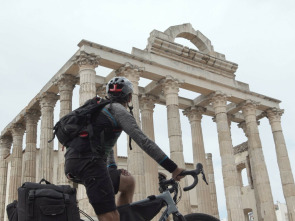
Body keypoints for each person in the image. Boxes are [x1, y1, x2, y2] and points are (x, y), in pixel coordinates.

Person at [64, 76, 185, 221]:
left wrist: (113, 168)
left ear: (109, 94)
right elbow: (143, 141)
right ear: (129, 98)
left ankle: (124, 217)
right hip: (90, 165)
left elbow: (104, 145)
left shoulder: (100, 109)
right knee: (110, 217)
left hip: (74, 162)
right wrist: (173, 168)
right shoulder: (119, 111)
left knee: (128, 182)